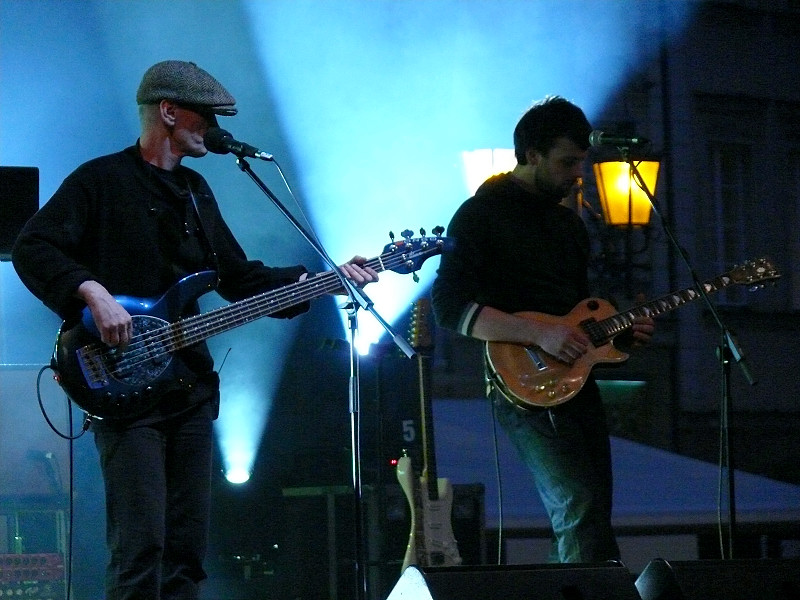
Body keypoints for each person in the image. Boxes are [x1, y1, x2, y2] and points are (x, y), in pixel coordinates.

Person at [11, 60, 378, 600]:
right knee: (141, 548)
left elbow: (237, 279)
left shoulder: (196, 190)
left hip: (189, 388)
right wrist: (92, 292)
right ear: (168, 112)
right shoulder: (100, 180)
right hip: (122, 383)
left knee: (185, 553)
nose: (214, 129)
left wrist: (324, 281)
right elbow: (32, 247)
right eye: (206, 118)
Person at [430, 96, 654, 563]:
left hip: (577, 379)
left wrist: (620, 333)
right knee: (579, 507)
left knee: (591, 511)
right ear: (531, 155)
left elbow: (577, 313)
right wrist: (538, 334)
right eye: (567, 162)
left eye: (581, 162)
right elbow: (450, 308)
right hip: (522, 382)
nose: (578, 174)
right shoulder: (479, 215)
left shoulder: (569, 225)